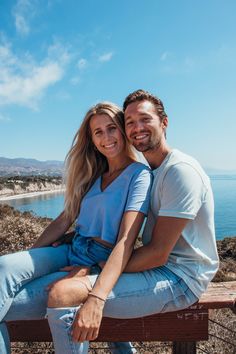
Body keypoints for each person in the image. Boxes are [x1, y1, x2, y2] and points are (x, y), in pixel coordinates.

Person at [44, 89, 219, 353]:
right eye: (130, 122)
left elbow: (158, 253)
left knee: (65, 293)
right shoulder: (153, 170)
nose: (137, 128)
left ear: (164, 122)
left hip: (180, 279)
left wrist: (95, 272)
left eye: (145, 119)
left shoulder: (179, 172)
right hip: (159, 270)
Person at [0, 102, 152, 354]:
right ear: (91, 140)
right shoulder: (94, 174)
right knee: (5, 265)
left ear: (123, 131)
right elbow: (63, 220)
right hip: (72, 248)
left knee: (8, 306)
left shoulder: (139, 175)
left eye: (112, 128)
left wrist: (90, 271)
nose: (106, 138)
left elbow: (126, 239)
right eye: (98, 132)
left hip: (99, 260)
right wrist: (31, 260)